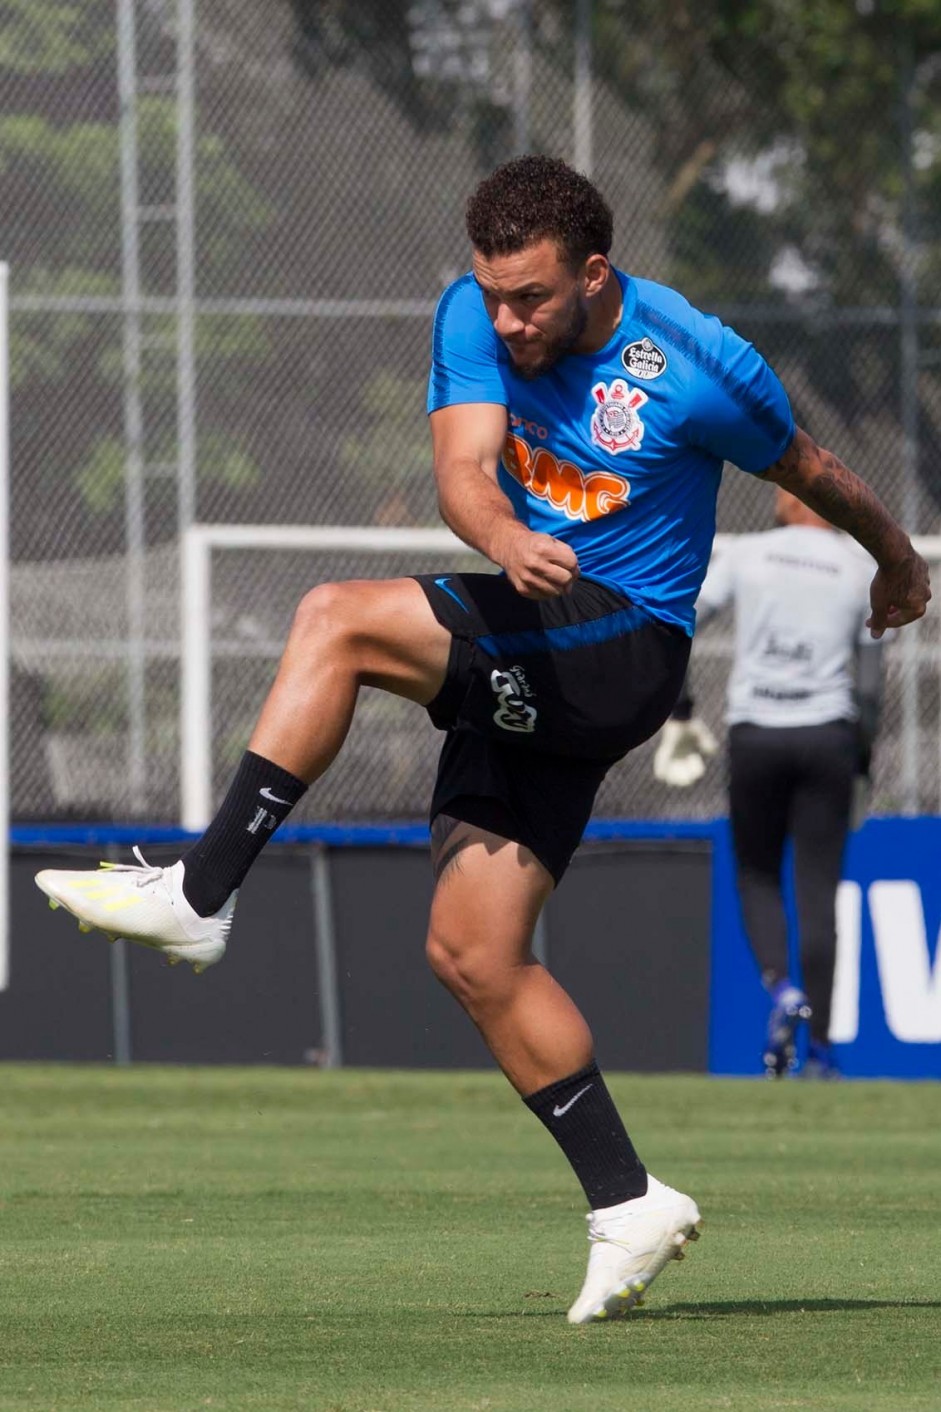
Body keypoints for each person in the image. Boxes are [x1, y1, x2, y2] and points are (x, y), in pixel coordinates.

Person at [35, 155, 930, 1322]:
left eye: (532, 299)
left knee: (333, 620)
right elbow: (462, 472)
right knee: (473, 950)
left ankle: (202, 890)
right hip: (526, 612)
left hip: (619, 649)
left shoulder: (700, 363)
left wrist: (899, 560)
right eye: (492, 292)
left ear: (594, 274)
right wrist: (503, 533)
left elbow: (811, 467)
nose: (505, 319)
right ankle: (627, 1200)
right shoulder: (471, 310)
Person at [654, 489, 887, 1079]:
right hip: (829, 738)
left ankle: (782, 990)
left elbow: (682, 618)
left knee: (757, 873)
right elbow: (869, 688)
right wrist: (861, 763)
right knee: (819, 893)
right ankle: (825, 1053)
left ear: (798, 500)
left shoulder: (749, 554)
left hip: (756, 734)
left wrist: (679, 709)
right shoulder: (859, 569)